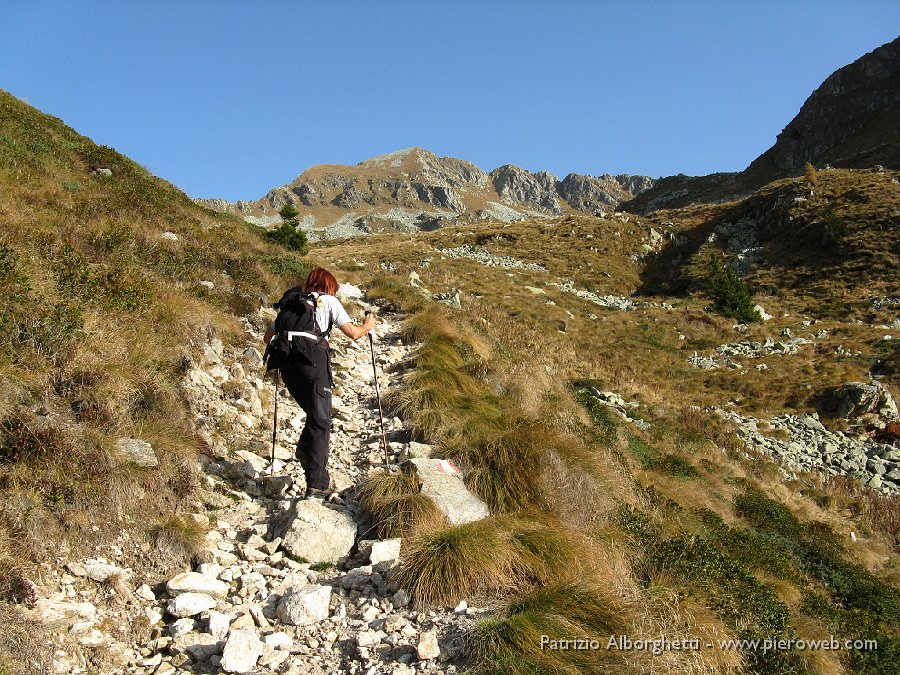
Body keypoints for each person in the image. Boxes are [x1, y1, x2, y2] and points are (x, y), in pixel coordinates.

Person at [264, 268, 376, 500]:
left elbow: (268, 337)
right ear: (329, 286)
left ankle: (306, 451)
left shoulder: (292, 303)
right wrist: (368, 325)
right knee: (321, 421)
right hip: (313, 365)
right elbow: (353, 333)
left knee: (315, 416)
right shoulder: (329, 301)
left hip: (288, 367)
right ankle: (316, 484)